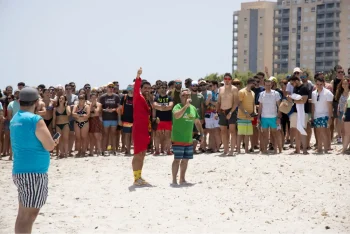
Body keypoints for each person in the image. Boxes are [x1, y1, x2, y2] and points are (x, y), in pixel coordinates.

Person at [10, 87, 58, 234]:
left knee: (23, 214)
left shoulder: (15, 118)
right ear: (37, 102)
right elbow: (49, 146)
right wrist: (55, 142)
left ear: (19, 101)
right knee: (29, 215)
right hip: (34, 173)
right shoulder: (35, 120)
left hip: (20, 170)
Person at [171, 88, 203, 185]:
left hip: (188, 139)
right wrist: (185, 106)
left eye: (188, 95)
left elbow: (197, 122)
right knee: (177, 160)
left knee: (185, 160)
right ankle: (174, 180)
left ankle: (182, 178)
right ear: (180, 97)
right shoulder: (177, 106)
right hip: (178, 138)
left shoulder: (193, 108)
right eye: (184, 95)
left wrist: (202, 133)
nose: (186, 97)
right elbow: (176, 116)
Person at [132, 67, 152, 185]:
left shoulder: (147, 99)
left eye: (149, 88)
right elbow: (135, 88)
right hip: (138, 129)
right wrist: (138, 76)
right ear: (141, 88)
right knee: (137, 153)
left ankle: (139, 176)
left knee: (143, 153)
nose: (147, 90)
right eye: (145, 88)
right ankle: (135, 179)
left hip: (145, 129)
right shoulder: (137, 96)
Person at [217, 73, 239, 155]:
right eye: (225, 79)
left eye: (228, 79)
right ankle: (225, 149)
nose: (227, 80)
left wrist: (230, 112)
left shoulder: (234, 89)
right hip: (222, 110)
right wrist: (217, 112)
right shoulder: (221, 89)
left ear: (231, 80)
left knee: (232, 131)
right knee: (223, 131)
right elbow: (219, 101)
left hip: (231, 110)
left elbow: (236, 102)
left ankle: (232, 150)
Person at [311, 76, 333, 154]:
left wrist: (330, 117)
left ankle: (326, 148)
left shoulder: (328, 93)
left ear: (323, 84)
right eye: (317, 84)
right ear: (315, 84)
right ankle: (320, 148)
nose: (319, 86)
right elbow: (313, 105)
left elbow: (330, 105)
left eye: (321, 84)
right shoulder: (313, 93)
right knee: (318, 132)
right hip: (317, 115)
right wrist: (312, 116)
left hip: (325, 115)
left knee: (324, 131)